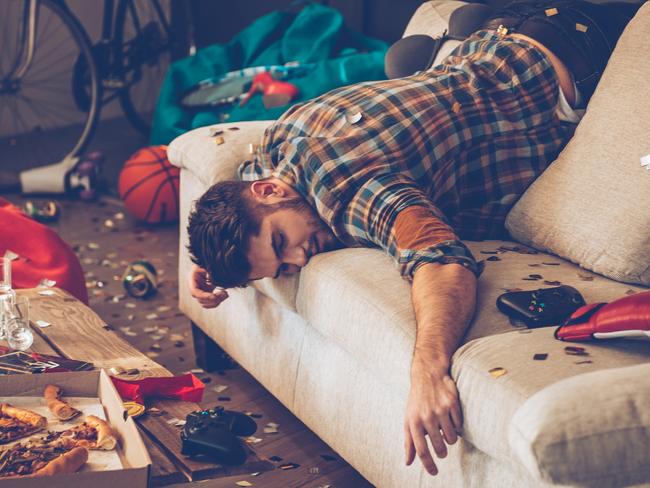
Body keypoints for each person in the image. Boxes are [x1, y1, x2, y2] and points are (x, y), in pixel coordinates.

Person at [184, 0, 638, 477]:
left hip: (577, 46)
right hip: (502, 36)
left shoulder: (350, 191)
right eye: (283, 268)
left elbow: (442, 262)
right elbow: (241, 179)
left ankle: (453, 50)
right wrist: (219, 261)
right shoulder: (282, 144)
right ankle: (452, 45)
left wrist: (427, 371)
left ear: (270, 192)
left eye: (281, 243)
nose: (300, 256)